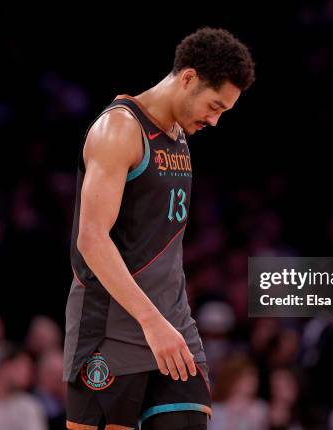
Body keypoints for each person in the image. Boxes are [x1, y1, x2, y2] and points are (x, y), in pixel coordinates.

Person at [63, 27, 255, 430]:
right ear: (187, 78)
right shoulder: (119, 129)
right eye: (214, 105)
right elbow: (91, 239)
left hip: (172, 325)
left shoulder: (181, 133)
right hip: (111, 329)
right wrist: (151, 322)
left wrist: (164, 321)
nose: (216, 121)